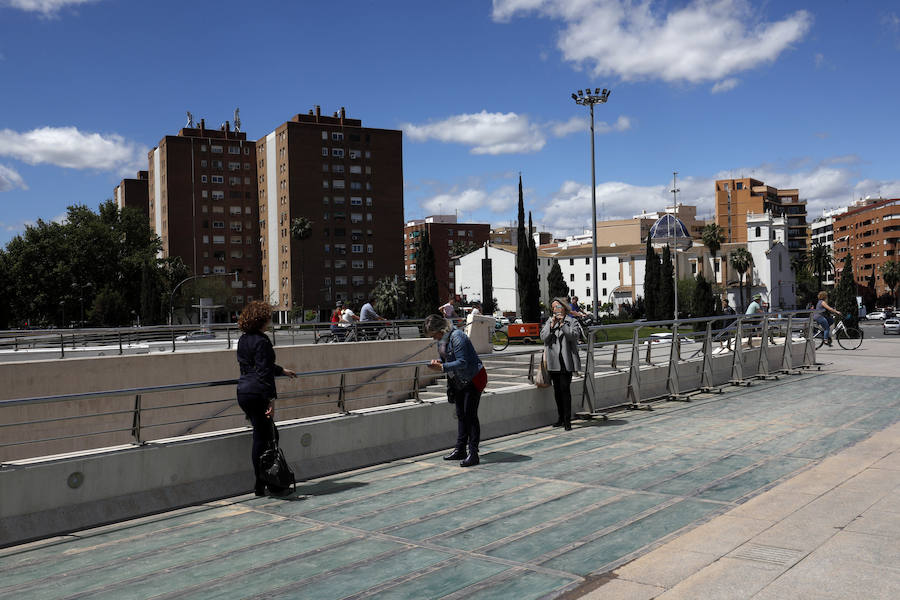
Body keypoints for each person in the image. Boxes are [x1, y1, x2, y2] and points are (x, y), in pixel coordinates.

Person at [236, 301, 296, 496]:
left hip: (244, 392)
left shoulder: (243, 340)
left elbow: (257, 365)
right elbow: (263, 372)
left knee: (266, 435)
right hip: (258, 392)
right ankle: (263, 483)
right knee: (263, 437)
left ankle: (265, 482)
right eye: (268, 317)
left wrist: (282, 370)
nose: (270, 320)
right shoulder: (262, 341)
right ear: (261, 320)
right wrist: (270, 400)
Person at [425, 314, 484, 467]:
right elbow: (447, 360)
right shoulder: (442, 341)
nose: (434, 339)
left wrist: (442, 367)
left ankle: (473, 453)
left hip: (473, 378)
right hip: (458, 380)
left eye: (434, 335)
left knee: (470, 415)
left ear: (441, 329)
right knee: (461, 414)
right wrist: (440, 363)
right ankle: (460, 449)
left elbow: (462, 362)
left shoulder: (457, 337)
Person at [540, 298, 584, 431]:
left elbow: (574, 336)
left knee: (565, 390)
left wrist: (563, 324)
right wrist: (552, 325)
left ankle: (567, 419)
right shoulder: (549, 321)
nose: (555, 310)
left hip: (566, 361)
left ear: (564, 308)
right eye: (553, 308)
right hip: (553, 362)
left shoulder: (572, 321)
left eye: (558, 307)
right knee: (557, 391)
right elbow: (543, 337)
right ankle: (560, 418)